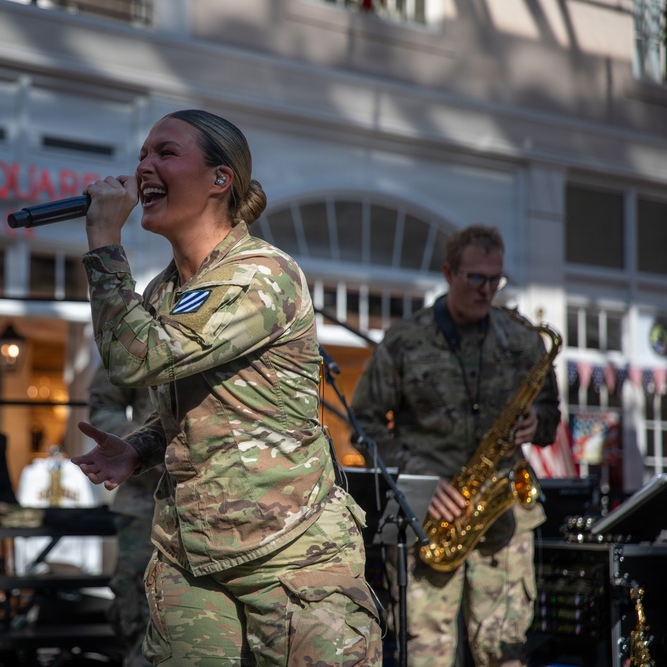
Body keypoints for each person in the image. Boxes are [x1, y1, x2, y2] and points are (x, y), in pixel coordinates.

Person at [71, 109, 382, 666]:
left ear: (221, 179)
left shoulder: (260, 273)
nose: (144, 166)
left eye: (165, 153)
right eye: (142, 154)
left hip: (289, 559)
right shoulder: (166, 289)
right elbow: (214, 410)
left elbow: (133, 359)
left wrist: (102, 242)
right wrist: (140, 449)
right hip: (190, 559)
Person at [350, 224, 561, 667]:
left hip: (502, 514)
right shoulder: (405, 339)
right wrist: (416, 478)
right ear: (449, 272)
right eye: (476, 278)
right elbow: (364, 424)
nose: (487, 291)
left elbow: (550, 419)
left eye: (495, 280)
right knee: (425, 651)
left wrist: (536, 422)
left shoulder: (523, 340)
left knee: (504, 652)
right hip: (426, 510)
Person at [87, 364, 158, 667]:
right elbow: (103, 403)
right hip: (147, 499)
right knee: (139, 609)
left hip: (225, 502)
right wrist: (143, 444)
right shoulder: (147, 325)